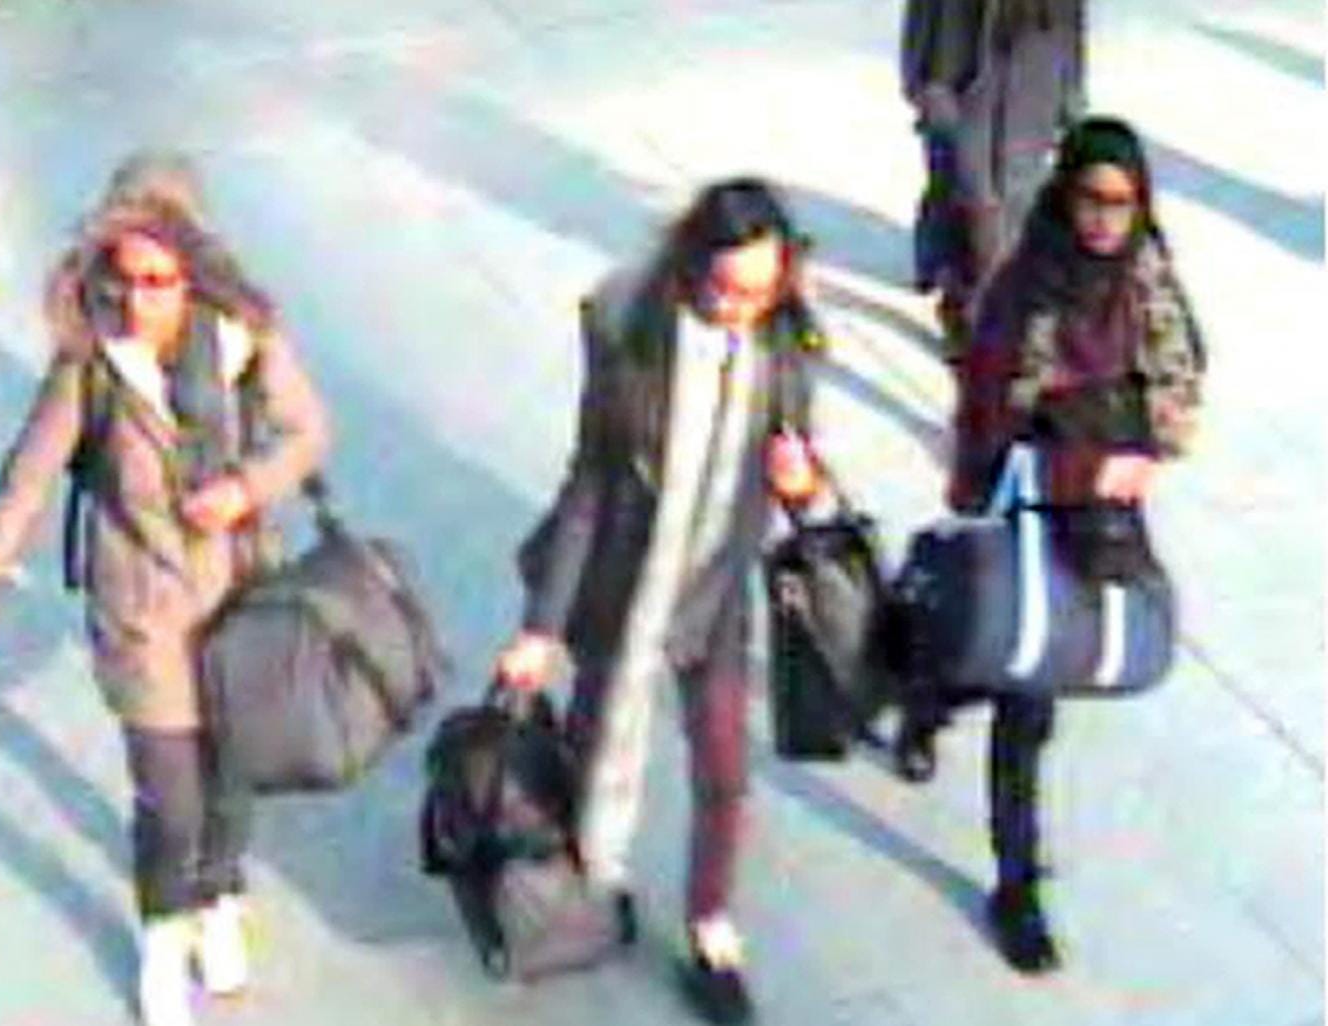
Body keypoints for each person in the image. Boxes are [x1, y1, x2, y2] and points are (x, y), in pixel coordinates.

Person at [0, 152, 329, 1026]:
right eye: (123, 280)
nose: (138, 302)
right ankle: (166, 938)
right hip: (141, 614)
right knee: (173, 800)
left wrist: (245, 488)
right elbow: (24, 484)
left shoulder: (244, 341)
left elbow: (308, 430)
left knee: (233, 780)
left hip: (240, 600)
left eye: (159, 282)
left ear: (192, 271)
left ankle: (219, 897)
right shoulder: (90, 363)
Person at [498, 178, 832, 1025]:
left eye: (758, 291)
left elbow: (803, 475)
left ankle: (710, 925)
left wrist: (803, 485)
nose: (738, 309)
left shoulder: (786, 343)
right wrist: (541, 628)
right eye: (724, 289)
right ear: (691, 267)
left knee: (724, 775)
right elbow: (588, 489)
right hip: (624, 592)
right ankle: (589, 889)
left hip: (715, 602)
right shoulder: (635, 344)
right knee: (591, 746)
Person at [895, 117, 1205, 973]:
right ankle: (1016, 882)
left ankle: (928, 698)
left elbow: (1181, 391)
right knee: (1021, 682)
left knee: (1037, 672)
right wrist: (1049, 464)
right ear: (1064, 195)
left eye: (1123, 202)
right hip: (1026, 502)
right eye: (1091, 198)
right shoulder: (1023, 286)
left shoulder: (1149, 283)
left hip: (1103, 515)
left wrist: (1146, 451)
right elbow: (989, 409)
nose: (1106, 219)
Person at [901, 0, 1086, 358]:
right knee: (973, 193)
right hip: (959, 72)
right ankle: (971, 309)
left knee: (1018, 197)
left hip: (1035, 71)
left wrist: (1071, 90)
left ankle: (996, 308)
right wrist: (921, 78)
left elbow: (1072, 20)